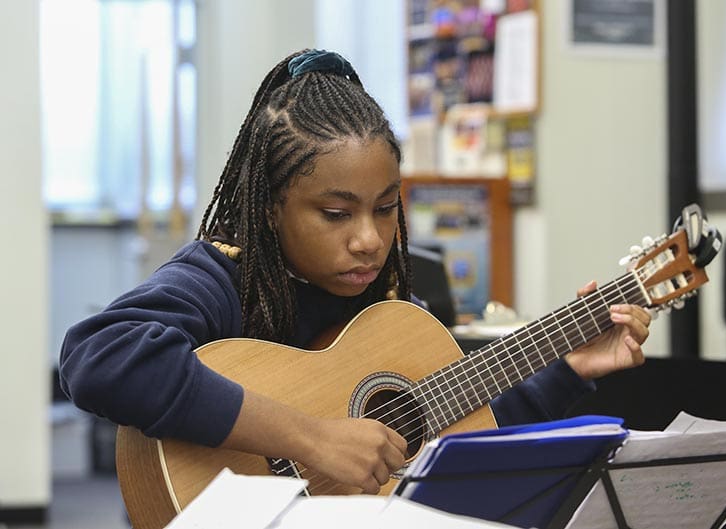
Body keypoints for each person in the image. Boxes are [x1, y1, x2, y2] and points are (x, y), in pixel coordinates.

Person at [59, 49, 652, 496]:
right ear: (270, 207)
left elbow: (464, 437)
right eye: (336, 213)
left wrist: (569, 368)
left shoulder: (393, 316)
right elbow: (100, 356)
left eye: (387, 207)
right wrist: (309, 437)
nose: (370, 239)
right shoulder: (222, 279)